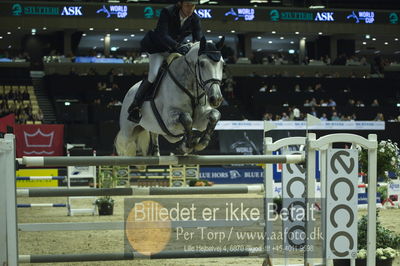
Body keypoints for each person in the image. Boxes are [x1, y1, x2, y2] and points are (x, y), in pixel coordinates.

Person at [127, 0, 202, 122]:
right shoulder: (167, 12)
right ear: (180, 4)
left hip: (174, 49)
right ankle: (136, 106)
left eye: (193, 6)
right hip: (157, 48)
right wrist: (178, 46)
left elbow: (198, 39)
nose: (190, 9)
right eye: (188, 5)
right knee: (153, 75)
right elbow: (162, 35)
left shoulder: (194, 18)